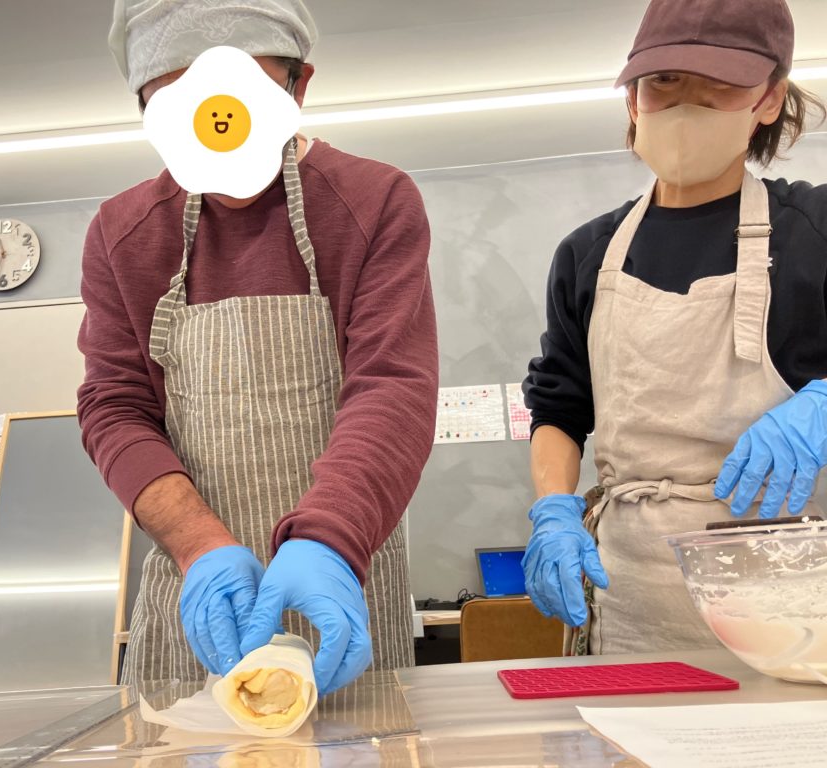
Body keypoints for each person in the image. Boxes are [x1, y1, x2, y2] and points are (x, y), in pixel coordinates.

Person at [77, 0, 438, 697]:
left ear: (299, 87)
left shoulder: (374, 200)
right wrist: (198, 544)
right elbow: (114, 407)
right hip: (197, 595)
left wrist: (329, 539)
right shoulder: (123, 232)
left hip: (343, 577)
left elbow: (392, 386)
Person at [522, 0, 827, 654]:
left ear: (770, 99)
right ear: (632, 99)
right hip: (635, 599)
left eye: (720, 83)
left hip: (797, 605)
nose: (688, 104)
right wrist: (554, 510)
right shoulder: (588, 254)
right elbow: (559, 408)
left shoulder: (816, 229)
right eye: (664, 81)